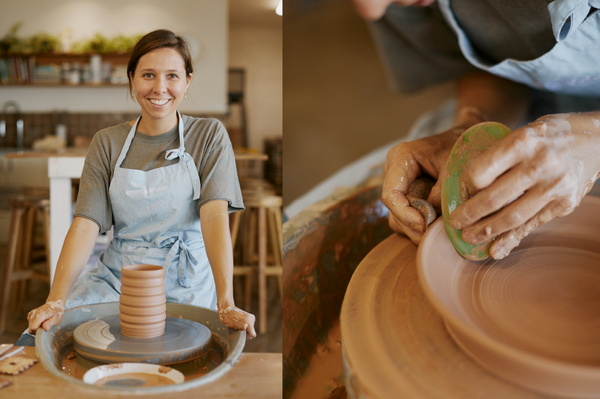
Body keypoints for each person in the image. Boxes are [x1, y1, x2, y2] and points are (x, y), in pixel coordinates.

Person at [21, 29, 256, 344]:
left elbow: (214, 217)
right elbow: (86, 223)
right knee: (46, 338)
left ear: (188, 80)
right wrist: (56, 299)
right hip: (119, 279)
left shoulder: (209, 135)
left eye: (172, 75)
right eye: (148, 75)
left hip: (186, 284)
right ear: (131, 79)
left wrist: (225, 301)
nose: (160, 88)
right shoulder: (107, 142)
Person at [351, 0, 600, 259]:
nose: (371, 10)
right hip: (541, 106)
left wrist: (593, 141)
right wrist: (469, 124)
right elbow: (494, 66)